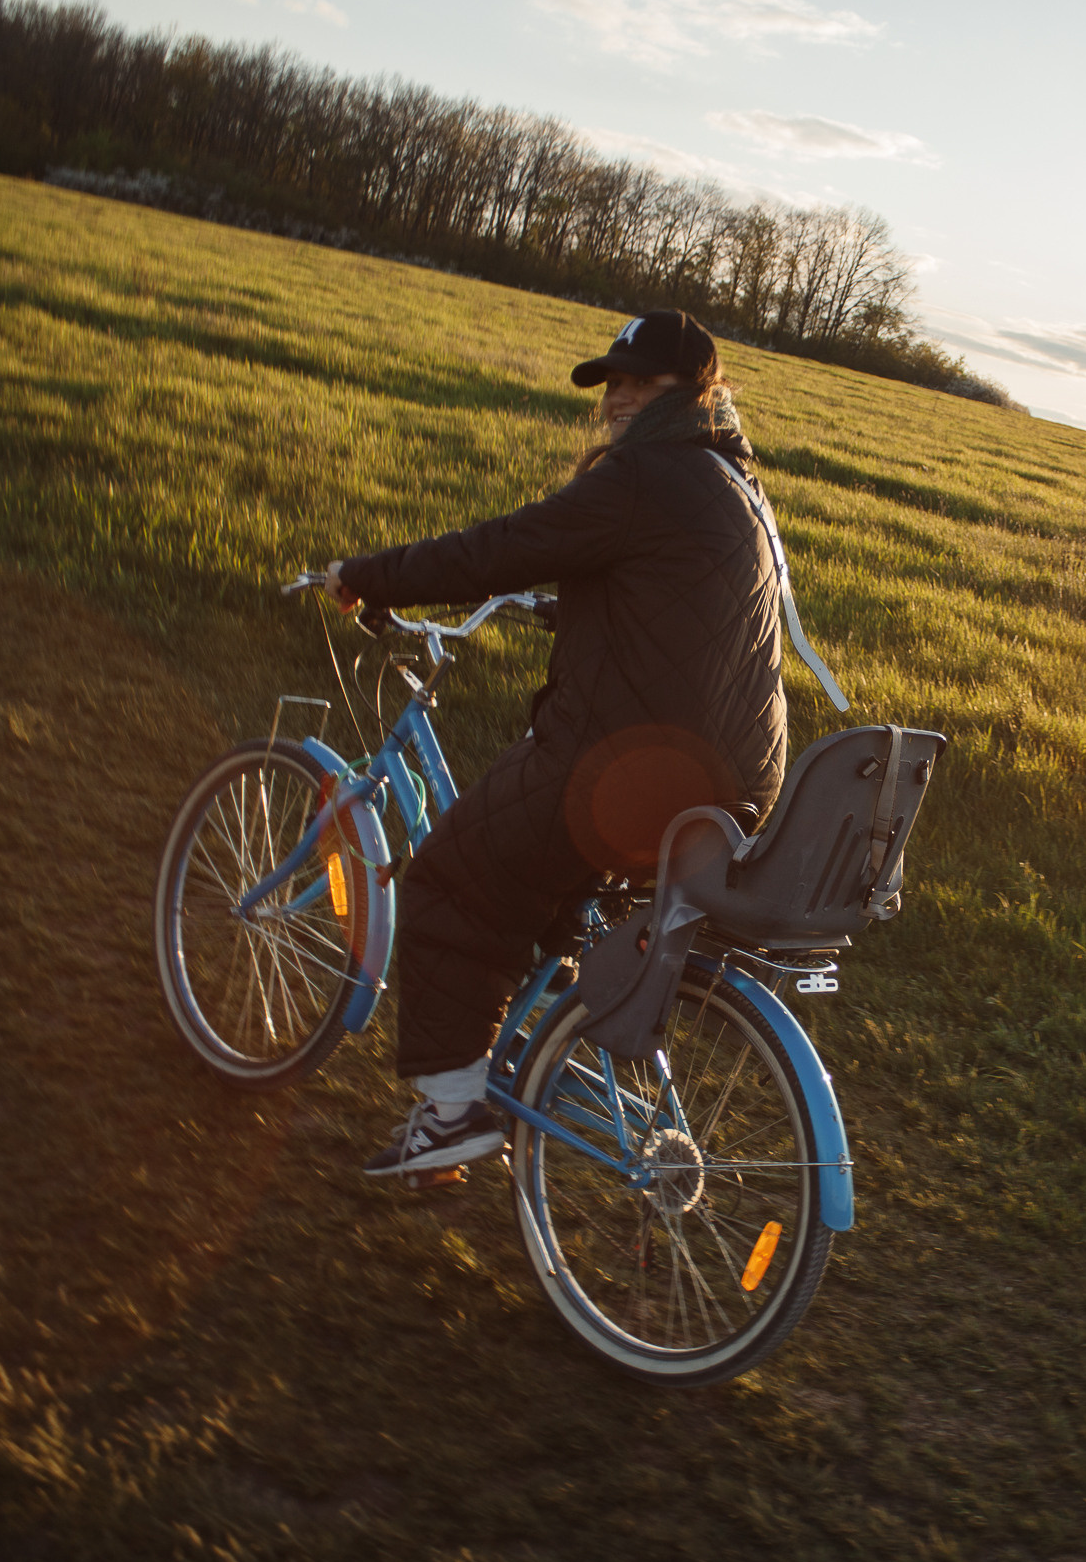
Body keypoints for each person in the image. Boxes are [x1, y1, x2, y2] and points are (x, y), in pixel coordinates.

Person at [323, 310, 790, 1178]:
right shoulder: (734, 484)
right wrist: (569, 604)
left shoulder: (644, 474)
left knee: (449, 880)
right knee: (530, 886)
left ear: (693, 389)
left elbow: (502, 547)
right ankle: (537, 1052)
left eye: (638, 382)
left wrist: (370, 574)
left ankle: (451, 1113)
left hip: (627, 772)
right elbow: (669, 603)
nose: (617, 398)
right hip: (732, 784)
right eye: (612, 382)